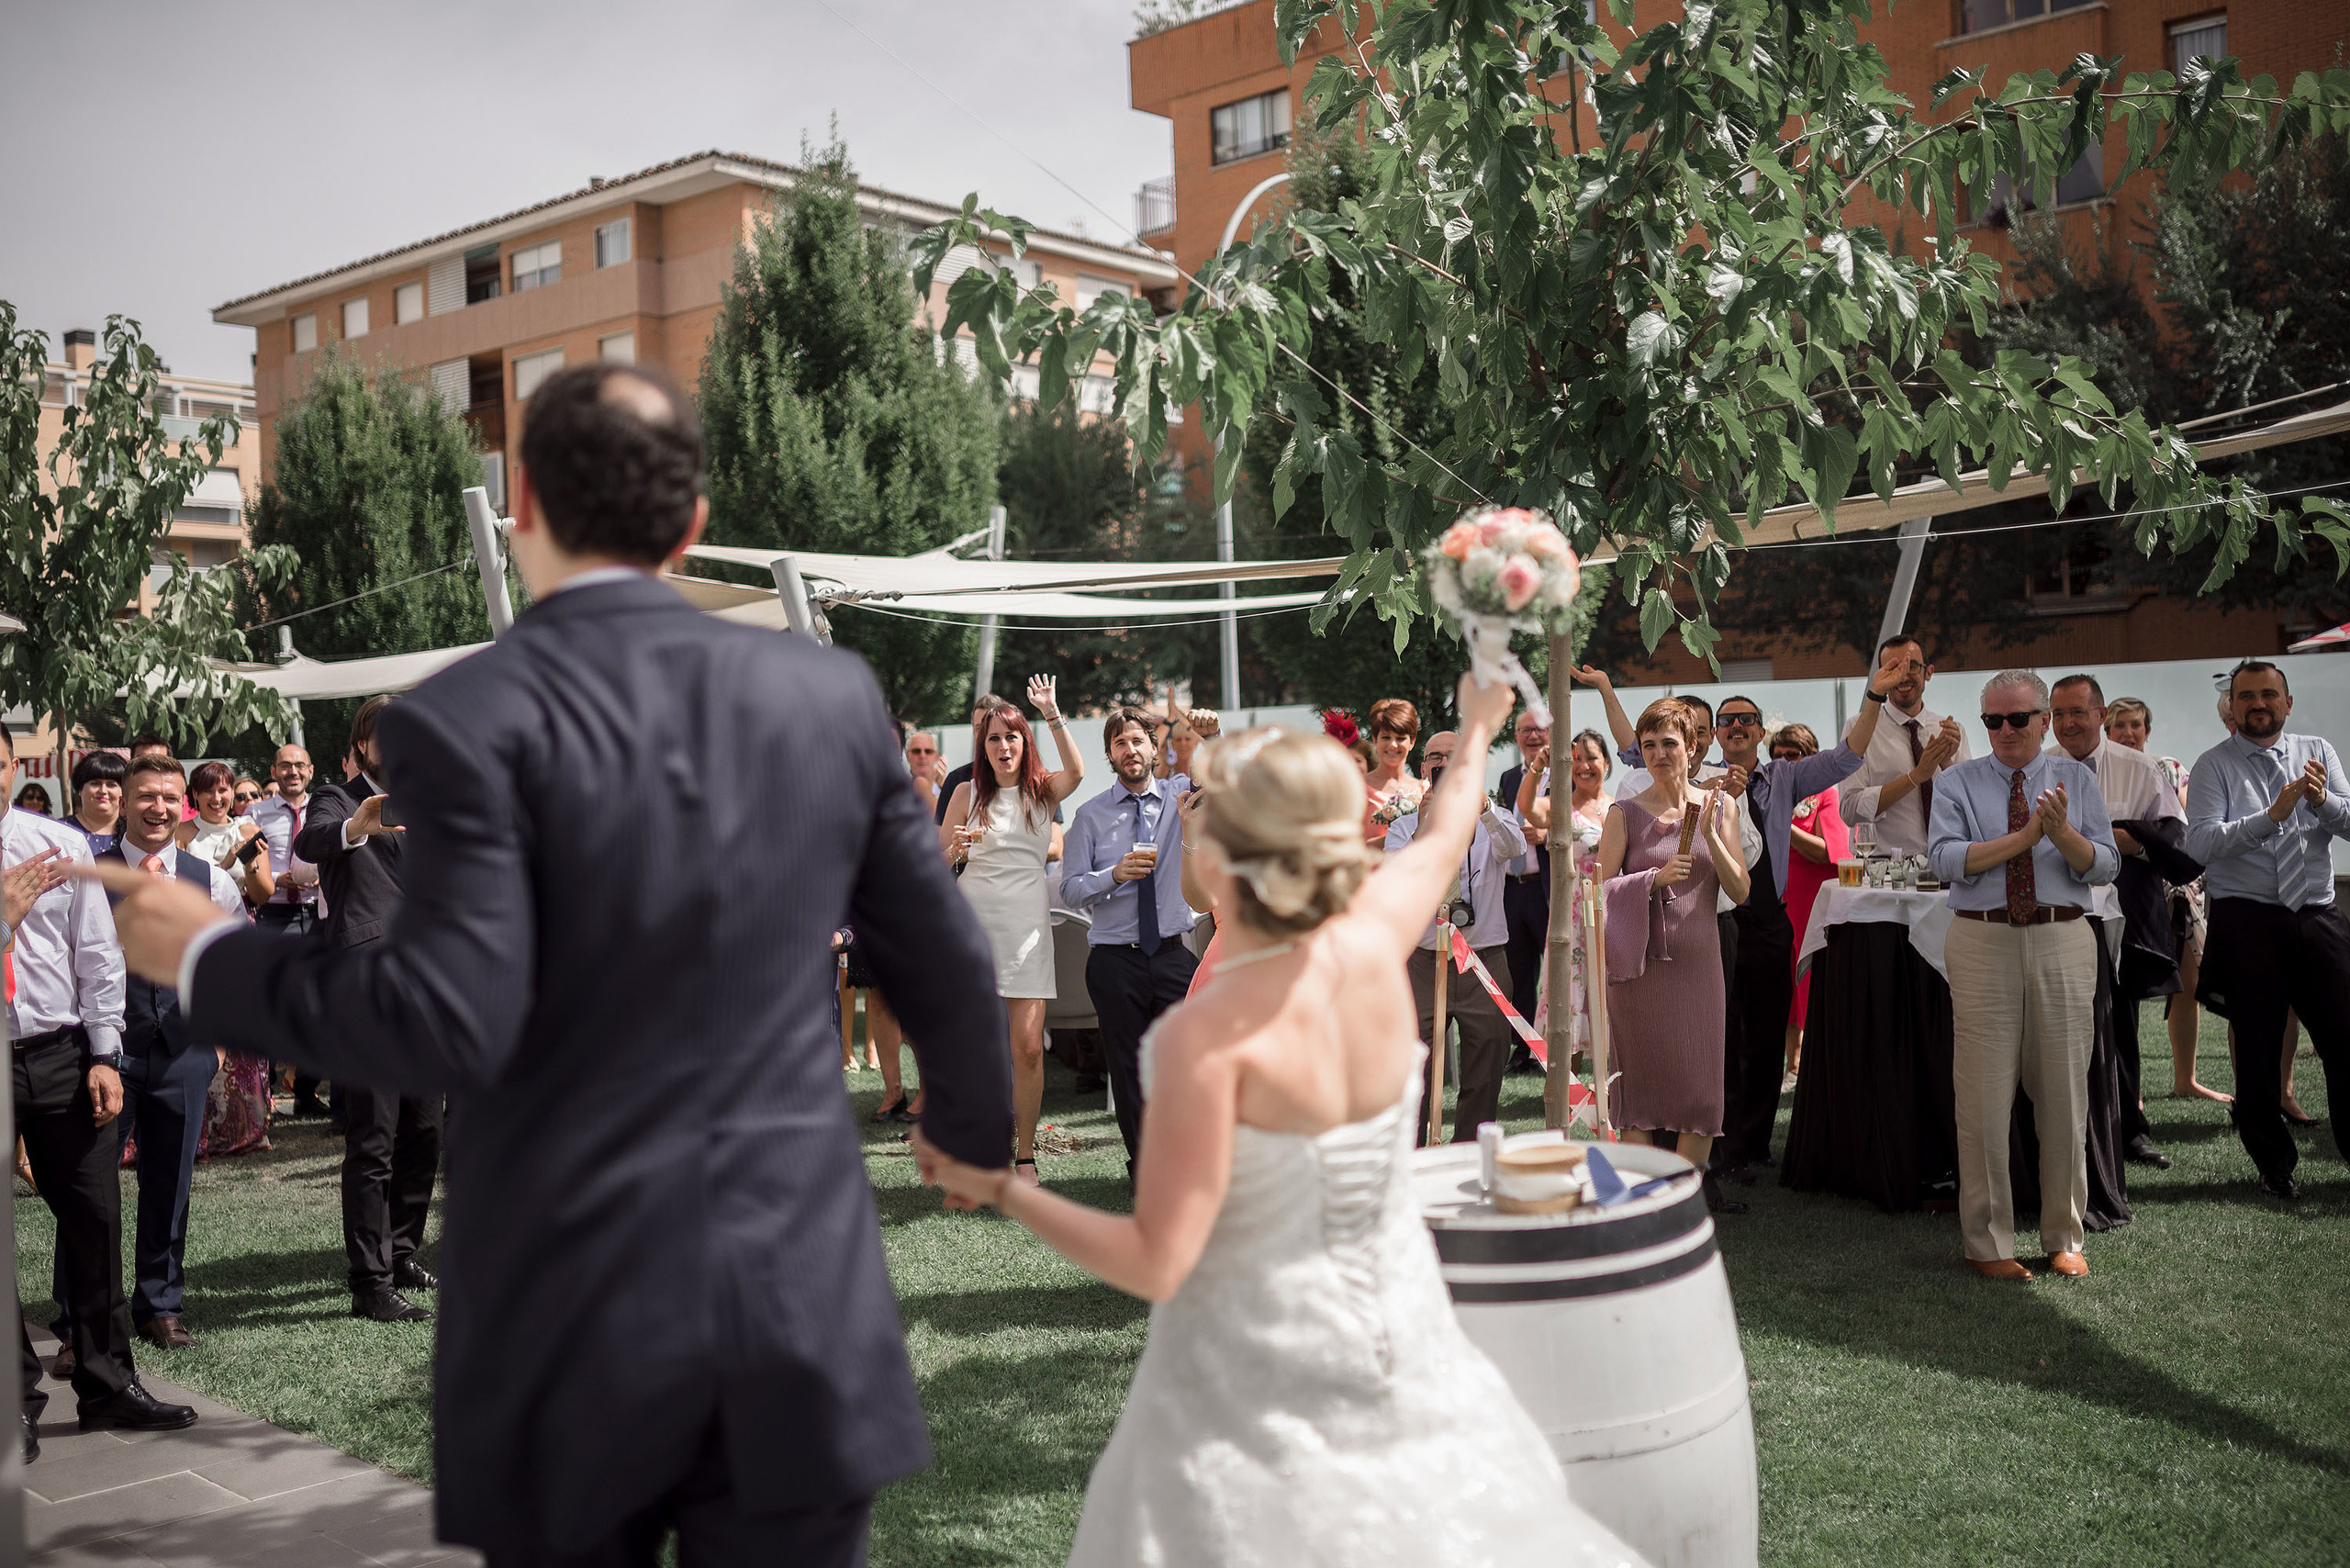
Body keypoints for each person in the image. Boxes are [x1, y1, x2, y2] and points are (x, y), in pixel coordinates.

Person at [91, 361, 1015, 1565]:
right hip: (793, 1309)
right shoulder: (828, 693)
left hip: (566, 1322)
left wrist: (208, 959)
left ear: (521, 504)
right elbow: (940, 951)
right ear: (691, 523)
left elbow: (442, 1016)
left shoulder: (465, 715)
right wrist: (976, 1134)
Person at [913, 676, 1645, 1568]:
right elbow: (1449, 825)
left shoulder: (1207, 1034)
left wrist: (997, 1185)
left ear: (1223, 857)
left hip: (1245, 1366)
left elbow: (1156, 1257)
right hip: (1397, 1330)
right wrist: (1484, 720)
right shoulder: (1372, 939)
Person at [5, 732, 198, 1450]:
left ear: (12, 768)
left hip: (61, 1053)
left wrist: (105, 1052)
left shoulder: (57, 845)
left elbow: (96, 950)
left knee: (94, 1216)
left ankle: (108, 1383)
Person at [1927, 669, 2119, 1281]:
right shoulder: (1956, 781)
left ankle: (2064, 1234)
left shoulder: (2078, 779)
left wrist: (2062, 835)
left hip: (2063, 936)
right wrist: (2025, 837)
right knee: (1982, 1098)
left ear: (2043, 720)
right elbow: (1945, 860)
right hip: (1983, 940)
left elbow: (2105, 864)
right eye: (1992, 720)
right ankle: (1987, 1245)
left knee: (2064, 1091)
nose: (2004, 731)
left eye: (2017, 719)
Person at [1701, 677, 1896, 1174]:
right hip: (1714, 922)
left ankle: (1756, 1144)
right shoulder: (1697, 778)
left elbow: (1847, 757)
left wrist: (1873, 698)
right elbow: (1636, 756)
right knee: (1720, 1037)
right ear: (1716, 734)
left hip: (1770, 922)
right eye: (1728, 720)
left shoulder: (1784, 779)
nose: (1737, 726)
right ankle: (1717, 1146)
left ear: (1760, 732)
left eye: (1747, 718)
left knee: (1767, 1037)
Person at [292, 694, 445, 1324]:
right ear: (361, 745)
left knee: (425, 1128)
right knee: (374, 1137)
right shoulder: (338, 796)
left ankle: (402, 1249)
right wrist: (361, 824)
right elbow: (312, 840)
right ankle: (369, 1279)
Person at [2185, 659, 2350, 1203]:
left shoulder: (2319, 750)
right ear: (2231, 707)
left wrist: (2323, 802)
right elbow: (2201, 846)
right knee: (2256, 1051)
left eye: (2269, 695)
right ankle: (2274, 1164)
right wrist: (2272, 817)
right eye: (2247, 696)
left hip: (2318, 915)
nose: (2259, 704)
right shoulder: (2214, 765)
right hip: (2251, 920)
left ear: (2288, 702)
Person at [105, 756, 245, 1349]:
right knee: (91, 1189)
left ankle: (159, 1303)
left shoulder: (210, 879)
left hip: (184, 1050)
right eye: (145, 797)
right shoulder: (93, 872)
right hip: (106, 1053)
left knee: (172, 1184)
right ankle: (81, 1319)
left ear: (182, 802)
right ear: (124, 802)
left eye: (168, 797)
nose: (158, 808)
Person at [1597, 699, 1751, 1209]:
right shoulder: (1625, 813)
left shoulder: (1720, 807)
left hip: (1698, 969)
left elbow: (1742, 890)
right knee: (1639, 1095)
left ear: (1693, 747)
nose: (1660, 754)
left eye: (1669, 743)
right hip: (1639, 974)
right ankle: (1641, 1203)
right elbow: (1595, 891)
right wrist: (1648, 881)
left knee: (1700, 1092)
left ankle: (1682, 1202)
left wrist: (1709, 834)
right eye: (1649, 745)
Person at [940, 678, 1087, 1184]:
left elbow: (1078, 771)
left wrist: (1051, 711)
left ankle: (1024, 1156)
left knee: (1025, 1049)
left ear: (1025, 744)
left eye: (1012, 737)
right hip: (969, 929)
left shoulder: (1042, 790)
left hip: (1026, 927)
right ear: (982, 747)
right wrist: (955, 852)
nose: (1003, 746)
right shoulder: (964, 793)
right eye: (994, 739)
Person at [2050, 673, 2185, 1170]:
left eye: (2076, 713)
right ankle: (2062, 1132)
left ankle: (2130, 1132)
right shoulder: (2036, 767)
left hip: (2123, 915)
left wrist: (2129, 838)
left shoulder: (2141, 768)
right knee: (2058, 1027)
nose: (2066, 723)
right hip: (2057, 913)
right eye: (2057, 714)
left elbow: (2174, 836)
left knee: (2120, 1026)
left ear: (2100, 716)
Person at [1063, 707, 1200, 1180]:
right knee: (1129, 1071)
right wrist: (1113, 874)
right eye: (1120, 743)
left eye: (1138, 740)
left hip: (1171, 954)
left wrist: (1212, 735)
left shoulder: (1182, 796)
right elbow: (1070, 887)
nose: (1131, 750)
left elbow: (1222, 782)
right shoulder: (1089, 816)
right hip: (1114, 960)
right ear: (1110, 755)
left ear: (1154, 747)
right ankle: (1146, 1170)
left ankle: (1185, 1163)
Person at [1384, 725, 1529, 1141]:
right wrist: (1426, 825)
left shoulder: (1494, 817)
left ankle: (1468, 1153)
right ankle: (1410, 1154)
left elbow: (1515, 850)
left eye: (1454, 756)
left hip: (1483, 959)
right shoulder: (1403, 827)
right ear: (1423, 766)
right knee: (1413, 1061)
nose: (1444, 764)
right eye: (1435, 757)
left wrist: (1482, 808)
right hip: (1424, 961)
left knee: (1487, 1058)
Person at [2107, 697, 2230, 1103]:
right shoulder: (2099, 770)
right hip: (2134, 888)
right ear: (2107, 730)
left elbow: (2186, 825)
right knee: (2131, 984)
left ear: (2147, 731)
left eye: (2136, 725)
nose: (2128, 732)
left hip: (2180, 887)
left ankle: (2185, 1078)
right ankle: (2132, 1088)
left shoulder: (2171, 768)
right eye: (2120, 725)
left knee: (2188, 981)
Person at [1516, 729, 1613, 1092]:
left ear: (1607, 762)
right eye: (1577, 760)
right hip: (1571, 922)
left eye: (1592, 758)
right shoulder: (1562, 808)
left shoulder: (1619, 807)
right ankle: (1564, 1095)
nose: (1585, 766)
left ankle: (1611, 1095)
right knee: (1569, 1007)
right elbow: (1528, 808)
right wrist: (1537, 768)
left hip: (1612, 919)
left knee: (1610, 1002)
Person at [246, 743, 328, 1117]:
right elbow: (249, 870)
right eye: (285, 766)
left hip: (320, 917)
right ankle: (267, 1094)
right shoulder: (254, 813)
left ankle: (307, 1093)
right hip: (274, 918)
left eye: (299, 766)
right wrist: (281, 880)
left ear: (310, 771)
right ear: (274, 770)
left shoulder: (327, 809)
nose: (292, 772)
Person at [1840, 634, 1968, 857]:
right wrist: (1915, 777)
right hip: (1883, 869)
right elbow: (1850, 810)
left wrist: (1946, 762)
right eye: (1894, 668)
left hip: (1944, 863)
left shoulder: (1949, 730)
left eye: (1912, 667)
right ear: (1880, 676)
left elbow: (1969, 806)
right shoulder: (1859, 728)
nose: (1902, 676)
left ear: (1929, 672)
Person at [1774, 724, 1848, 1081]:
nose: (1785, 762)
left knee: (1810, 978)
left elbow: (1830, 853)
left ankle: (1809, 1061)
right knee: (1783, 982)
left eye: (1793, 755)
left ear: (1811, 756)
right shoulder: (1766, 791)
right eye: (1778, 756)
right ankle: (1790, 1064)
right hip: (1776, 900)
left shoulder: (1825, 793)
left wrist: (1782, 826)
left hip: (1813, 899)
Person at [1495, 706, 1550, 1058]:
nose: (1532, 736)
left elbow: (1584, 815)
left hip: (1547, 886)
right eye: (1524, 730)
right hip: (1512, 888)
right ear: (1515, 737)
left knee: (1557, 967)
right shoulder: (1508, 777)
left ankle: (1559, 1044)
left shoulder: (1568, 773)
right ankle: (1524, 1048)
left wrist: (1547, 833)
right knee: (1518, 969)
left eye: (1540, 729)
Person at [1362, 697, 1422, 845]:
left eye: (1401, 738)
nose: (1393, 745)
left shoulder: (1424, 790)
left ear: (1412, 742)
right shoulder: (1358, 788)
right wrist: (1398, 839)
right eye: (1386, 737)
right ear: (1375, 740)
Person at [65, 750, 128, 860]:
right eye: (95, 783)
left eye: (111, 785)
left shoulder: (134, 834)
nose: (103, 790)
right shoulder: (61, 831)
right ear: (80, 789)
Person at [905, 729, 946, 818]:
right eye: (916, 751)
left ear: (936, 756)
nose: (922, 756)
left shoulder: (947, 789)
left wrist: (944, 787)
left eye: (928, 751)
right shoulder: (899, 791)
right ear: (908, 756)